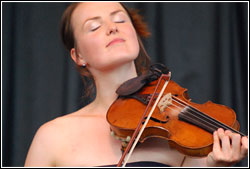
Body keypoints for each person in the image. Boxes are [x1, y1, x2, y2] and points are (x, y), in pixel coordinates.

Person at [24, 2, 248, 167]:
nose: (113, 27)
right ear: (78, 55)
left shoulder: (180, 136)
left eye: (120, 19)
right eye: (93, 27)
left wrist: (215, 165)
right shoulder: (53, 137)